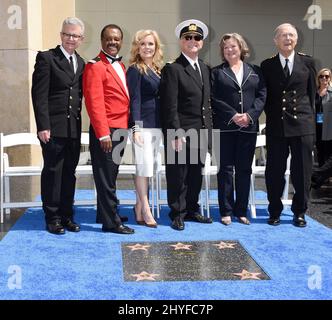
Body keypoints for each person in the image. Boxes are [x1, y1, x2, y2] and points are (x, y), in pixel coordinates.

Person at [31, 17, 85, 235]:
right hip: (52, 128)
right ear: (61, 35)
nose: (71, 39)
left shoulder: (81, 63)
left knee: (69, 174)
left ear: (81, 39)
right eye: (67, 34)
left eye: (75, 35)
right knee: (53, 172)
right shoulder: (46, 58)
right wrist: (43, 125)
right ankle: (52, 217)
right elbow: (39, 95)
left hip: (73, 129)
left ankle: (66, 215)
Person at [261, 23, 316, 228]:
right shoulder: (267, 65)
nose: (288, 39)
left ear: (297, 39)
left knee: (302, 172)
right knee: (274, 171)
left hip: (302, 125)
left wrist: (310, 121)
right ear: (276, 40)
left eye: (291, 35)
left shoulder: (308, 62)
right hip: (277, 126)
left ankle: (299, 212)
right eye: (284, 35)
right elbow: (265, 97)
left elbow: (311, 96)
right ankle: (274, 211)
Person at [159, 19, 213, 231]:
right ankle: (177, 213)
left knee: (195, 173)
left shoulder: (205, 68)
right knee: (178, 174)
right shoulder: (173, 69)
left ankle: (192, 209)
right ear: (181, 42)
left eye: (197, 38)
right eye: (188, 38)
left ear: (202, 42)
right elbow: (169, 105)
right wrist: (175, 133)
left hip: (200, 130)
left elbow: (206, 104)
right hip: (180, 130)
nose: (193, 41)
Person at [83, 24, 134, 234]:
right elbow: (94, 102)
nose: (113, 42)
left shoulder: (120, 66)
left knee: (111, 175)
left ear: (121, 41)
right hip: (107, 132)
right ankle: (111, 222)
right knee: (105, 177)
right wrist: (103, 133)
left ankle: (105, 212)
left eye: (116, 39)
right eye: (108, 39)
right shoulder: (95, 66)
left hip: (120, 129)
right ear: (102, 41)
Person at [211, 33, 266, 226]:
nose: (229, 50)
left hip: (248, 128)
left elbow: (261, 95)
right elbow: (213, 98)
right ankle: (225, 211)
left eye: (233, 46)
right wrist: (233, 115)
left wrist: (249, 115)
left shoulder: (255, 71)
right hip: (225, 127)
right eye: (225, 47)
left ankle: (241, 211)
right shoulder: (216, 72)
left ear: (241, 48)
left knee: (244, 169)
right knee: (225, 170)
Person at [127, 30, 164, 228]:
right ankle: (146, 208)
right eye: (143, 44)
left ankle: (138, 206)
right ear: (137, 47)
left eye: (150, 44)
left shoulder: (159, 69)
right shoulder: (135, 69)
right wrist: (136, 128)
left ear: (156, 47)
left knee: (150, 169)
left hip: (157, 126)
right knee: (143, 168)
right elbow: (135, 100)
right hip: (143, 128)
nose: (147, 47)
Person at [311, 68, 332, 189]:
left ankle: (321, 176)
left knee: (329, 152)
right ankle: (321, 177)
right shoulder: (314, 92)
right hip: (317, 125)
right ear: (318, 78)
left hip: (329, 126)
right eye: (322, 76)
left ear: (330, 78)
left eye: (327, 76)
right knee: (320, 152)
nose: (324, 79)